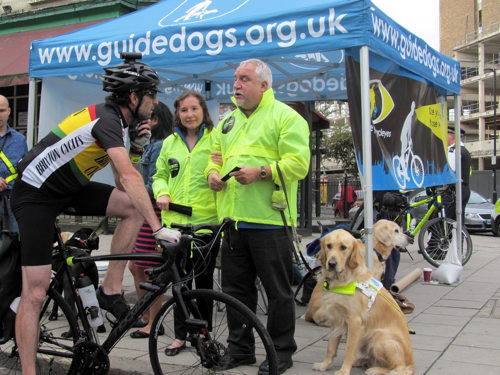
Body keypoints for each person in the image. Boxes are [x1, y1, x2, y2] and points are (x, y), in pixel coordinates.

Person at [10, 55, 181, 375]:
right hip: (35, 195)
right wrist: (158, 229)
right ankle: (28, 371)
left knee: (131, 209)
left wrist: (136, 147)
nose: (155, 102)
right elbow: (130, 178)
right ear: (134, 97)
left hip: (68, 188)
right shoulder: (106, 118)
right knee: (34, 291)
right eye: (151, 95)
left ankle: (110, 289)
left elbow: (122, 184)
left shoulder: (116, 122)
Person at [206, 59, 310, 375]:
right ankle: (240, 350)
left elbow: (299, 165)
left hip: (270, 221)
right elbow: (214, 158)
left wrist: (261, 172)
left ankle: (281, 352)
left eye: (244, 79)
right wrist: (212, 174)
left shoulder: (286, 117)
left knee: (277, 292)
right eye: (235, 79)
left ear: (264, 85)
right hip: (233, 221)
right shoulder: (226, 121)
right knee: (235, 292)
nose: (236, 84)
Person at [153, 90, 220, 355]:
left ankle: (203, 334)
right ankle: (180, 335)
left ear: (203, 110)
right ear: (177, 114)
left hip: (206, 224)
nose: (189, 115)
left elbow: (223, 169)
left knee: (203, 283)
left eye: (194, 109)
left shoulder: (217, 139)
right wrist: (162, 192)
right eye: (184, 110)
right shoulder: (169, 143)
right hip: (175, 225)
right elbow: (159, 175)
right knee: (179, 283)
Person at [127, 101, 173, 338]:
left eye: (149, 118)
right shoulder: (151, 145)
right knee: (138, 266)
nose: (143, 122)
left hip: (156, 212)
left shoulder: (160, 146)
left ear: (160, 119)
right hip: (151, 211)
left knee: (148, 267)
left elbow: (155, 183)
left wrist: (133, 192)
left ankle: (152, 321)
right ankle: (147, 316)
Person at [0, 95, 28, 233]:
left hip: (12, 200)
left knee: (13, 244)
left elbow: (25, 171)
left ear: (9, 111)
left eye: (1, 110)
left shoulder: (20, 140)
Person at [444, 124, 471, 222]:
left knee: (446, 219)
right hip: (464, 189)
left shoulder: (453, 150)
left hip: (454, 190)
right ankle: (460, 237)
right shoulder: (464, 150)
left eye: (446, 134)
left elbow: (449, 173)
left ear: (451, 135)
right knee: (459, 220)